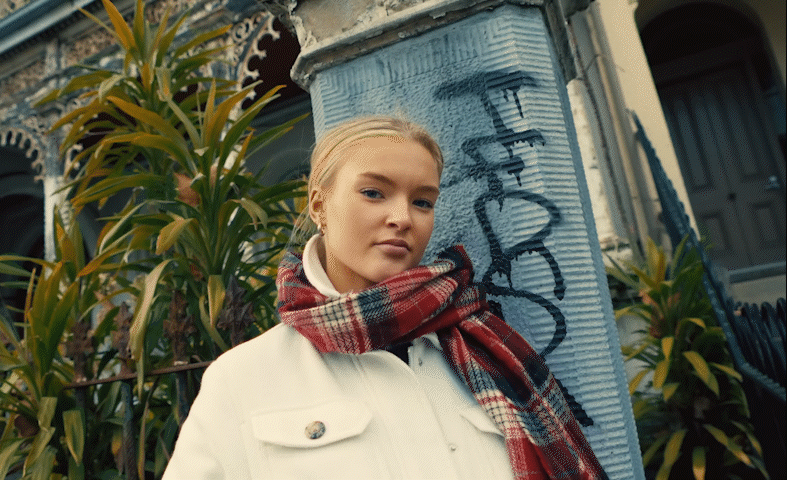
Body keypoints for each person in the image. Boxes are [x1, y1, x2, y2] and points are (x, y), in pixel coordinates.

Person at [163, 116, 606, 479]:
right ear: (319, 204)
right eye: (374, 193)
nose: (401, 218)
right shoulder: (244, 379)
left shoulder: (488, 349)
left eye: (422, 202)